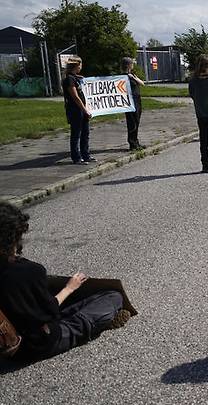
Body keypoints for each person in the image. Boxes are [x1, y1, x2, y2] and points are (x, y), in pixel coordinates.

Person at [0, 201, 131, 361]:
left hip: (6, 345)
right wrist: (69, 288)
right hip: (39, 343)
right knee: (112, 296)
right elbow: (50, 311)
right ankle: (95, 324)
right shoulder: (30, 270)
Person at [61, 56, 94, 165]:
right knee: (76, 134)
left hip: (81, 110)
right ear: (77, 66)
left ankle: (86, 155)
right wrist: (85, 110)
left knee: (85, 133)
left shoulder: (74, 78)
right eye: (80, 65)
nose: (81, 67)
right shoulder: (69, 80)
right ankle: (76, 158)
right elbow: (75, 97)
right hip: (75, 110)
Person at [121, 57, 145, 151]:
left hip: (137, 100)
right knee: (132, 123)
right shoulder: (122, 77)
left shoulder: (132, 75)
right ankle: (132, 143)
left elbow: (142, 83)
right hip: (130, 102)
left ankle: (136, 141)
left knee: (137, 121)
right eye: (131, 63)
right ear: (128, 65)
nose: (133, 65)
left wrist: (133, 77)